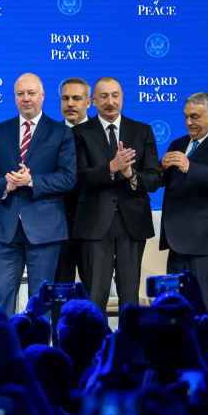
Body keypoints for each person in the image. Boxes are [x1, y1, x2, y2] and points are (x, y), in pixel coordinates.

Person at [0, 72, 77, 315]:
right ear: (14, 97)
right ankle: (3, 341)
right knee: (1, 297)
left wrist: (31, 181)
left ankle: (39, 341)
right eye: (20, 94)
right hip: (5, 229)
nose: (26, 98)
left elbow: (68, 177)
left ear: (42, 95)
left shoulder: (61, 132)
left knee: (41, 301)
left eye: (31, 93)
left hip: (45, 230)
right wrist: (5, 185)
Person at [71, 77, 162, 312]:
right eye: (103, 96)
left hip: (132, 223)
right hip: (94, 224)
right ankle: (95, 337)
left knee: (130, 296)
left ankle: (129, 337)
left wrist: (131, 174)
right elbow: (77, 178)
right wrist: (111, 168)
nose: (110, 102)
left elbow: (154, 178)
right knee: (95, 297)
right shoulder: (79, 133)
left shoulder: (142, 131)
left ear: (122, 98)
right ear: (93, 101)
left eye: (115, 96)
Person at [160, 92, 208, 317]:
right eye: (186, 116)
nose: (189, 122)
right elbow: (164, 181)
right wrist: (161, 167)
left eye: (195, 117)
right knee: (176, 312)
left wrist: (191, 168)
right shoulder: (178, 143)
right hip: (176, 244)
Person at [56, 77, 93, 283]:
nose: (70, 104)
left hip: (94, 224)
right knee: (59, 289)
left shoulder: (102, 133)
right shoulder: (49, 132)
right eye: (65, 98)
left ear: (88, 102)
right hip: (57, 224)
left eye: (76, 98)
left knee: (94, 289)